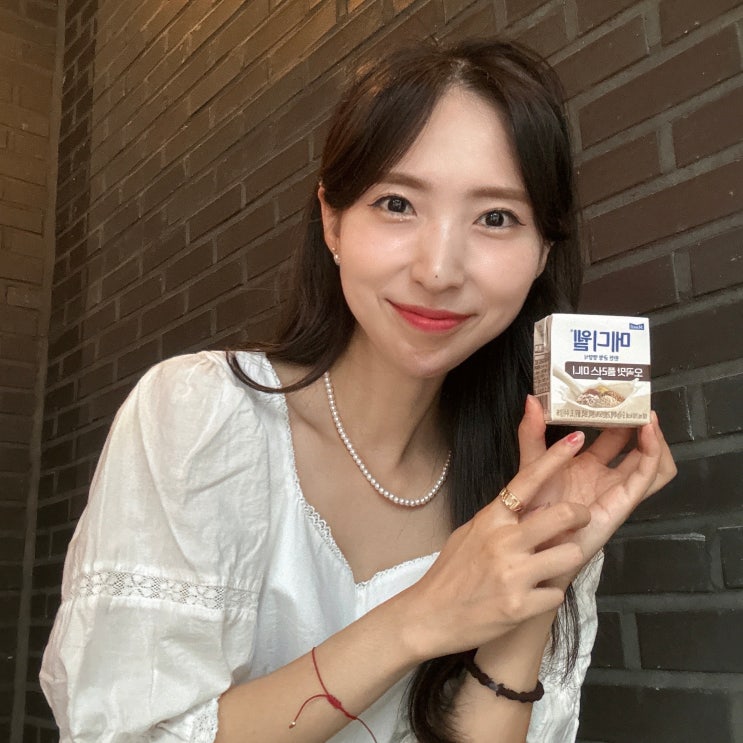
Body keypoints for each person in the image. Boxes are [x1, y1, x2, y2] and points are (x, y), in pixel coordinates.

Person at [40, 38, 676, 743]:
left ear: (542, 254)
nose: (438, 269)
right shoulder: (200, 417)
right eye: (397, 203)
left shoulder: (528, 483)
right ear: (332, 220)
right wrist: (419, 616)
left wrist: (541, 574)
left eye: (496, 217)